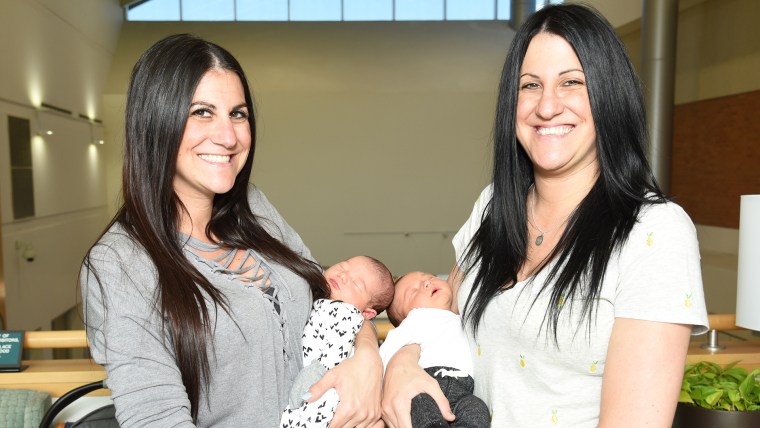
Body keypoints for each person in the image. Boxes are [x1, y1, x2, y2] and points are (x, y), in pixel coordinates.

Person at [381, 4, 709, 428]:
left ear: (610, 95)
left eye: (571, 82)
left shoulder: (655, 232)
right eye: (530, 85)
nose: (547, 106)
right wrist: (400, 362)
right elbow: (442, 318)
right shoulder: (494, 205)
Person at [80, 34, 383, 427]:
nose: (228, 136)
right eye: (202, 112)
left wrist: (367, 358)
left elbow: (336, 303)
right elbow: (155, 418)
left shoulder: (254, 209)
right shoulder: (119, 263)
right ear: (156, 121)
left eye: (238, 114)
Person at [281, 256, 394, 428]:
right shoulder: (321, 301)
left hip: (321, 385)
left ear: (367, 313)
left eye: (356, 284)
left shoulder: (345, 313)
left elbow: (336, 350)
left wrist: (314, 373)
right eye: (343, 266)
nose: (343, 276)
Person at [380, 272, 490, 428]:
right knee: (422, 408)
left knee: (477, 409)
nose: (426, 283)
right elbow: (387, 352)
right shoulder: (416, 318)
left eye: (429, 277)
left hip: (465, 389)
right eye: (413, 292)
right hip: (428, 382)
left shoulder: (465, 317)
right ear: (404, 316)